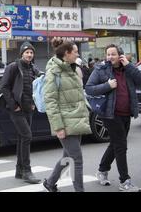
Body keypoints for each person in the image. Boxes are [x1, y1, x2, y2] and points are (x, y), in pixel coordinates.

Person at [85, 44, 141, 192]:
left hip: (126, 113)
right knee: (121, 146)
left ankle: (102, 170)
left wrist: (129, 66)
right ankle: (125, 181)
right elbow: (89, 88)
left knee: (115, 144)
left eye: (113, 54)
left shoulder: (127, 69)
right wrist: (107, 85)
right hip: (109, 114)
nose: (110, 57)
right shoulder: (101, 69)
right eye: (108, 54)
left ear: (120, 56)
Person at [42, 39, 91, 192]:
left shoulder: (72, 68)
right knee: (77, 159)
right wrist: (58, 127)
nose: (78, 54)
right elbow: (50, 101)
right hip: (65, 122)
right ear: (67, 53)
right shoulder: (54, 72)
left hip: (76, 119)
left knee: (67, 157)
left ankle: (50, 183)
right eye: (75, 51)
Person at [0, 42, 41, 184]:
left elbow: (35, 89)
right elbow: (4, 87)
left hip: (29, 108)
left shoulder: (33, 68)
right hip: (17, 109)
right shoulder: (13, 67)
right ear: (21, 53)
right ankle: (27, 171)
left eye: (31, 52)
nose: (29, 54)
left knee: (23, 138)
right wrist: (13, 105)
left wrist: (34, 104)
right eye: (27, 52)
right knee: (27, 136)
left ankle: (19, 170)